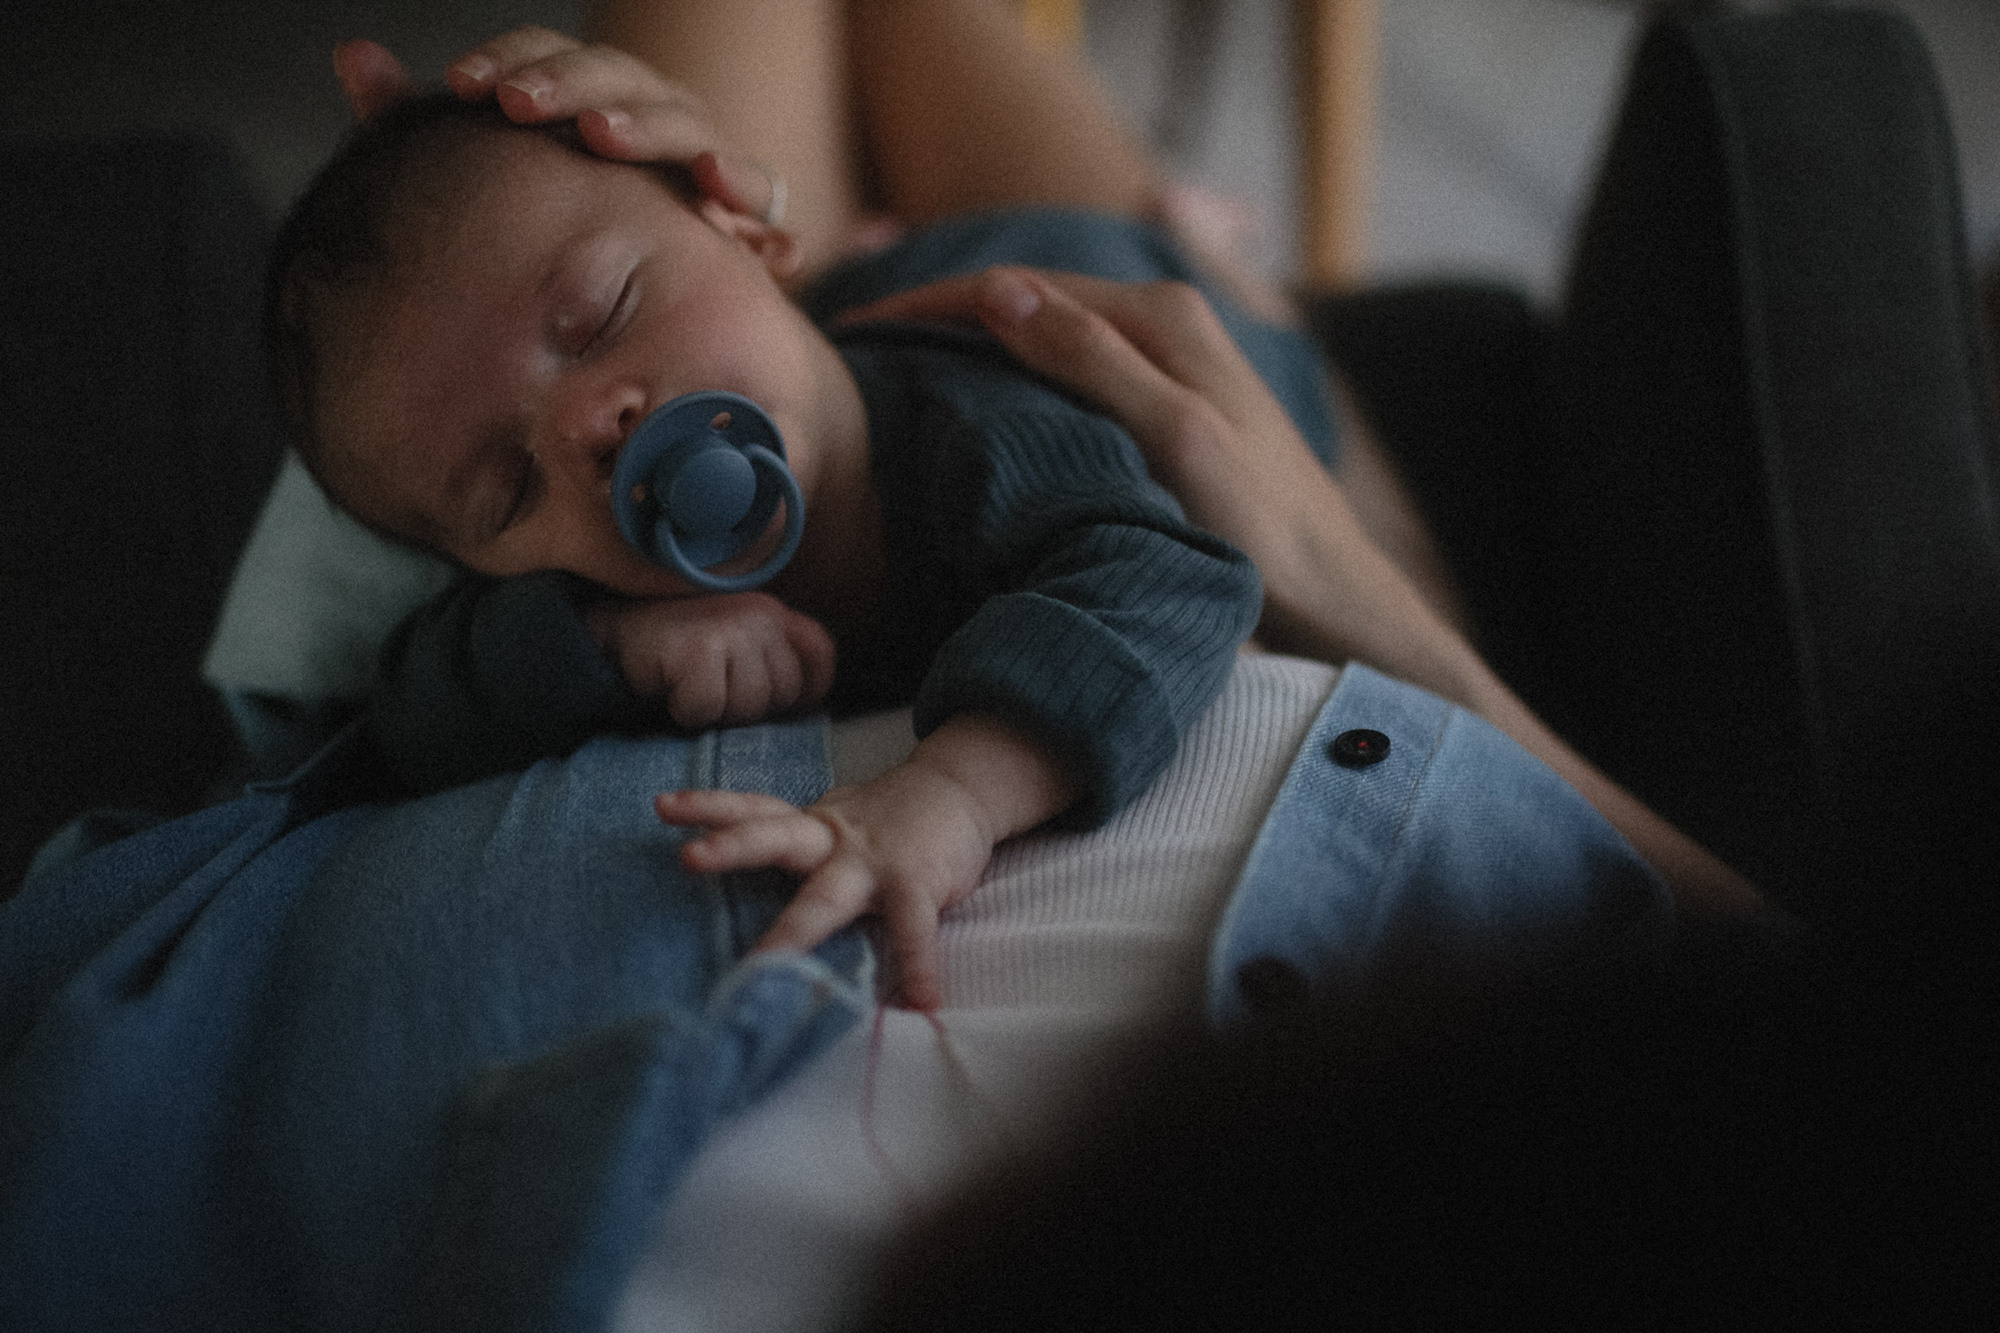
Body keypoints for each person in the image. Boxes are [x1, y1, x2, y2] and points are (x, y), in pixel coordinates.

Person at [270, 3, 1339, 1010]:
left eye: (599, 316)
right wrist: (605, 640)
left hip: (1107, 302)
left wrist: (955, 794)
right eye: (504, 489)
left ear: (747, 225)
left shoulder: (987, 435)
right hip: (864, 300)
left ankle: (1196, 244)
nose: (584, 431)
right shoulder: (592, 587)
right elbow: (411, 700)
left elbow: (1172, 579)